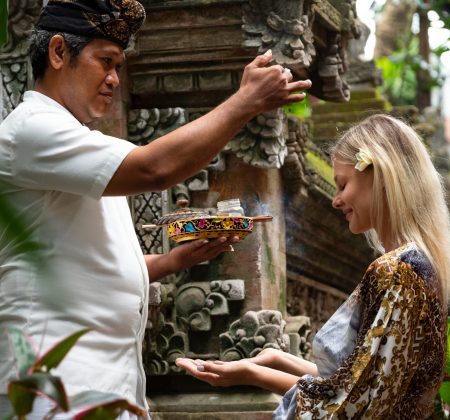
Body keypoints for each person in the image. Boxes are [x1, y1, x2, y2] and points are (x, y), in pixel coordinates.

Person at [0, 0, 312, 417]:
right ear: (58, 53)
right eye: (105, 62)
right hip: (53, 386)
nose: (113, 79)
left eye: (119, 67)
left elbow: (90, 264)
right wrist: (245, 103)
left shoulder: (76, 142)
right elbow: (154, 168)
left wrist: (173, 260)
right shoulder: (32, 130)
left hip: (99, 386)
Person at [176, 114, 450, 419]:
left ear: (380, 175)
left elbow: (353, 402)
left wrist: (251, 375)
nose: (335, 201)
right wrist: (277, 359)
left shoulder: (397, 271)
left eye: (342, 185)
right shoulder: (419, 265)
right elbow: (361, 379)